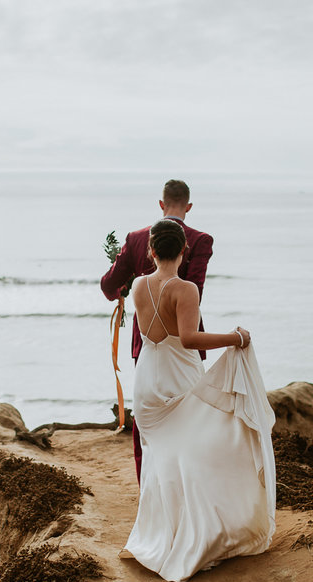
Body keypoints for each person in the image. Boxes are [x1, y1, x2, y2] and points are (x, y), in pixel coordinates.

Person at [120, 219, 276, 582]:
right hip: (177, 379)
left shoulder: (139, 284)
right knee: (205, 447)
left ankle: (165, 532)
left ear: (151, 250)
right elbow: (189, 339)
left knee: (163, 455)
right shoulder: (185, 289)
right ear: (184, 251)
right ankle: (197, 532)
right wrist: (235, 338)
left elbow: (152, 333)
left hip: (146, 382)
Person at [100, 180, 213, 482]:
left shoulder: (136, 239)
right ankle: (188, 487)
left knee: (147, 420)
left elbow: (109, 286)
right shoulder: (201, 240)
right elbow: (195, 293)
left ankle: (148, 488)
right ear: (188, 207)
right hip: (185, 345)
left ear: (161, 205)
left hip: (148, 343)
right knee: (188, 417)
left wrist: (126, 289)